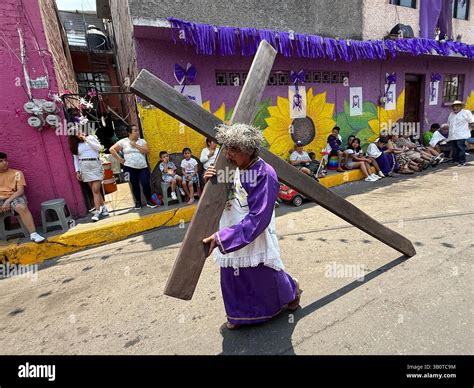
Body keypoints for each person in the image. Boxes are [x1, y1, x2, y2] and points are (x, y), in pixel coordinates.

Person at [202, 123, 301, 330]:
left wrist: (224, 238)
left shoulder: (264, 173)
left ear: (248, 150)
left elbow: (259, 217)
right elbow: (220, 196)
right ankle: (239, 316)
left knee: (264, 276)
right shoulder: (230, 167)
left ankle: (292, 291)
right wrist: (211, 180)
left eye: (234, 149)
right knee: (233, 278)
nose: (228, 154)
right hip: (229, 227)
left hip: (250, 232)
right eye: (227, 148)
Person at [0, 152, 45, 243]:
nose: (5, 163)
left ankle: (33, 234)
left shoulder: (17, 173)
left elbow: (20, 191)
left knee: (21, 207)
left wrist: (7, 201)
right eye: (1, 161)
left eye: (5, 160)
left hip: (13, 197)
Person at [110, 125, 157, 210]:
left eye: (138, 130)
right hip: (129, 167)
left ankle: (149, 201)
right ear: (130, 132)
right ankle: (138, 202)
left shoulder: (142, 141)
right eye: (135, 131)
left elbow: (146, 151)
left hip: (143, 167)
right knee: (134, 185)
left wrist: (135, 145)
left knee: (145, 183)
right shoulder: (123, 141)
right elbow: (112, 149)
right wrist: (120, 159)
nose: (138, 132)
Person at [69, 130, 108, 222]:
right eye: (77, 134)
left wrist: (86, 139)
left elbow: (99, 148)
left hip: (95, 164)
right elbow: (76, 159)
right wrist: (77, 171)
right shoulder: (76, 145)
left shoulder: (90, 138)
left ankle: (98, 211)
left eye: (80, 132)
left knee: (95, 190)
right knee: (95, 191)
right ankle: (104, 208)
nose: (80, 134)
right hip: (84, 166)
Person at [447, 100, 473, 166]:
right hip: (453, 135)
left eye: (457, 106)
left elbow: (471, 121)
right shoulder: (451, 114)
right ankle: (456, 160)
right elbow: (449, 123)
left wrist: (469, 129)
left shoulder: (466, 112)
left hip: (462, 134)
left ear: (460, 106)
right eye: (454, 106)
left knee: (461, 148)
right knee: (455, 149)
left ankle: (462, 161)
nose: (455, 108)